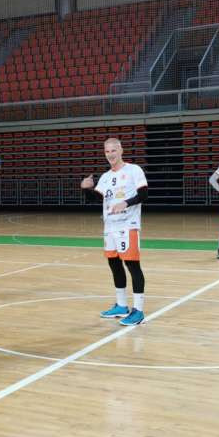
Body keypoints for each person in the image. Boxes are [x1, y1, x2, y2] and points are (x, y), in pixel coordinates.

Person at [81, 137, 149, 327]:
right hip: (110, 227)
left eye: (113, 150)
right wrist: (86, 190)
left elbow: (144, 194)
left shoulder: (133, 170)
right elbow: (95, 199)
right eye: (107, 151)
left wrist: (126, 203)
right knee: (114, 264)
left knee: (132, 265)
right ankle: (121, 305)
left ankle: (139, 311)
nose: (110, 154)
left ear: (121, 151)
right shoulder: (104, 177)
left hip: (128, 226)